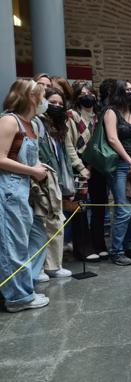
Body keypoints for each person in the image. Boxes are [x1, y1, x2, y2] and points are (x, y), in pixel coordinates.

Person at [0, 79, 50, 312]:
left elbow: (32, 156)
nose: (45, 100)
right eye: (42, 95)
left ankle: (21, 284)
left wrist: (39, 168)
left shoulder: (33, 124)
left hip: (25, 188)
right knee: (14, 245)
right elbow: (0, 158)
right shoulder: (10, 121)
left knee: (38, 237)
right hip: (10, 188)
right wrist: (33, 171)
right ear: (31, 97)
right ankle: (17, 297)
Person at [104, 80, 131, 266]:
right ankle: (117, 250)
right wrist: (130, 162)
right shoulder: (110, 112)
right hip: (120, 165)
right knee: (123, 209)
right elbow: (113, 139)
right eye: (127, 89)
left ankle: (130, 246)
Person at [32, 88, 75, 277]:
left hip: (56, 178)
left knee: (55, 221)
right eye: (52, 102)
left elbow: (64, 155)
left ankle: (53, 265)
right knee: (42, 223)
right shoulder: (36, 123)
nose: (56, 106)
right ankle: (39, 267)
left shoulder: (60, 127)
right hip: (40, 177)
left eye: (60, 104)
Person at [66, 81, 109, 260]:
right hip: (80, 168)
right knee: (81, 207)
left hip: (98, 166)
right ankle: (83, 248)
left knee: (100, 206)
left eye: (90, 92)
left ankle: (99, 244)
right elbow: (69, 145)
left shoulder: (99, 116)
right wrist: (80, 167)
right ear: (76, 97)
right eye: (83, 93)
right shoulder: (72, 115)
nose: (87, 96)